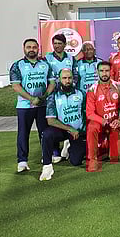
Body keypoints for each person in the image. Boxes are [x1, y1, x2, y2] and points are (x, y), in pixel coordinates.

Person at [10, 38, 55, 172]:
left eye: (34, 47)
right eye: (28, 47)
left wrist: (43, 97)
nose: (31, 49)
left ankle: (46, 157)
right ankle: (22, 161)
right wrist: (31, 98)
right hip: (24, 106)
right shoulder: (17, 65)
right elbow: (15, 86)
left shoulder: (45, 64)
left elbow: (52, 83)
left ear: (38, 48)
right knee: (23, 133)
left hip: (42, 105)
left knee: (45, 133)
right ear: (24, 49)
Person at [40, 68, 86, 181]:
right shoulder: (53, 96)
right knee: (46, 134)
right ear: (59, 79)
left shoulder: (81, 93)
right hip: (62, 130)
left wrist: (82, 130)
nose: (67, 80)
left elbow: (86, 113)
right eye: (64, 78)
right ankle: (47, 166)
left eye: (69, 78)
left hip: (77, 131)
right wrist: (69, 129)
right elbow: (50, 120)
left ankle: (70, 146)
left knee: (76, 161)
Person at [86, 61, 120, 171]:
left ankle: (106, 147)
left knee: (115, 158)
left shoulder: (118, 86)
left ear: (111, 72)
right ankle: (92, 159)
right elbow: (90, 113)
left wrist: (119, 119)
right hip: (100, 122)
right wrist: (104, 121)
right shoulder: (92, 89)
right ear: (97, 72)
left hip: (114, 123)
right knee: (91, 127)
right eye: (102, 71)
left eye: (107, 71)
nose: (104, 73)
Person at [45, 33, 78, 162]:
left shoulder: (71, 58)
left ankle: (69, 141)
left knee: (68, 116)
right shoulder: (47, 58)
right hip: (54, 94)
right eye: (55, 43)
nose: (57, 46)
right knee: (53, 122)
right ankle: (54, 151)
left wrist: (70, 86)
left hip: (68, 92)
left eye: (60, 43)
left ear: (65, 45)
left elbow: (75, 75)